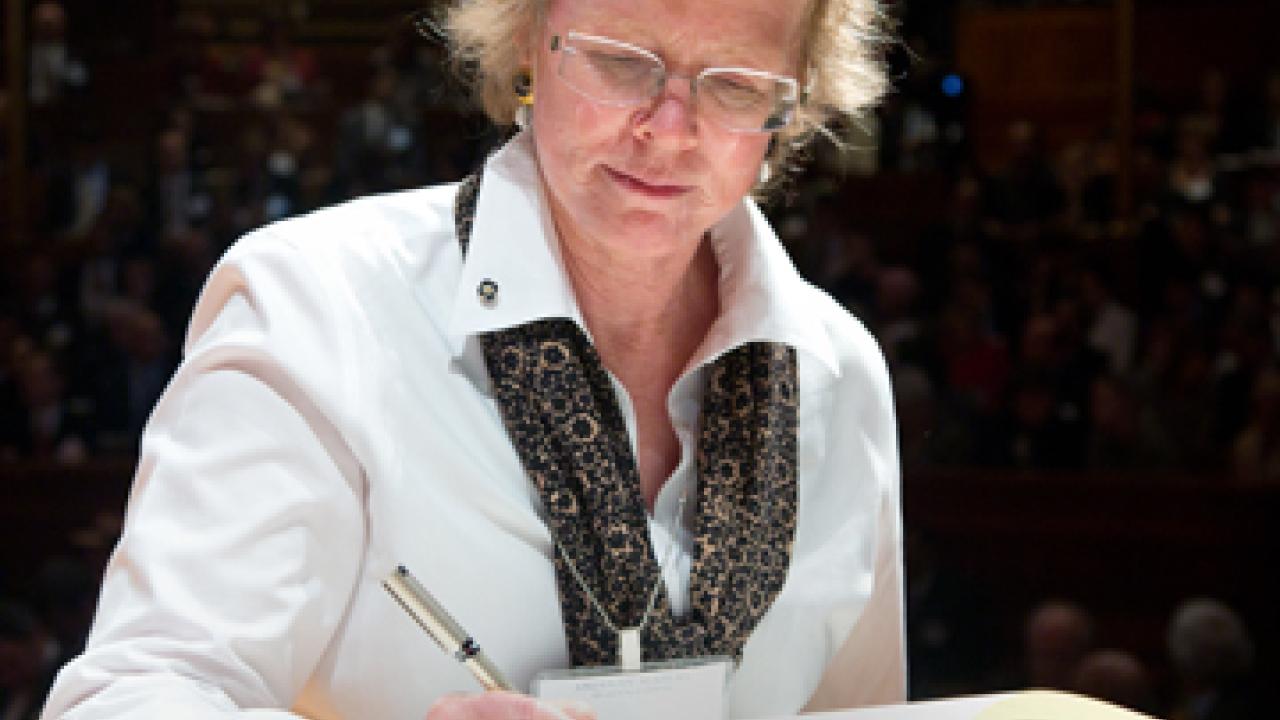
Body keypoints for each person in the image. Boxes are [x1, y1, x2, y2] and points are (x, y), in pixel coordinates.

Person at [40, 0, 903, 718]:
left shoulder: (840, 375)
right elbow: (128, 698)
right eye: (619, 63)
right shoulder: (313, 305)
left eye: (736, 85)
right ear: (529, 44)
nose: (670, 129)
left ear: (794, 106)